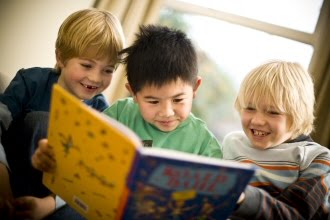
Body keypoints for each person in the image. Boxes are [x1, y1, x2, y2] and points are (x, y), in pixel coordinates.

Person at [32, 25, 222, 175]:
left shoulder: (205, 144)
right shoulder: (119, 114)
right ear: (133, 93)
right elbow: (80, 158)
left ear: (195, 87)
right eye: (153, 101)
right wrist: (51, 158)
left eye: (178, 100)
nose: (166, 112)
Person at [0, 8, 125, 219]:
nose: (95, 78)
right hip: (11, 176)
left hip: (55, 199)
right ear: (60, 57)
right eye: (86, 65)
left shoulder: (103, 112)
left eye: (108, 70)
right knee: (42, 122)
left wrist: (48, 204)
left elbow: (87, 178)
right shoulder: (30, 82)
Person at [222, 60, 330, 219]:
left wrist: (244, 197)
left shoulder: (317, 158)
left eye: (273, 112)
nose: (257, 121)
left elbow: (297, 215)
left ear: (297, 115)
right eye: (250, 108)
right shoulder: (232, 143)